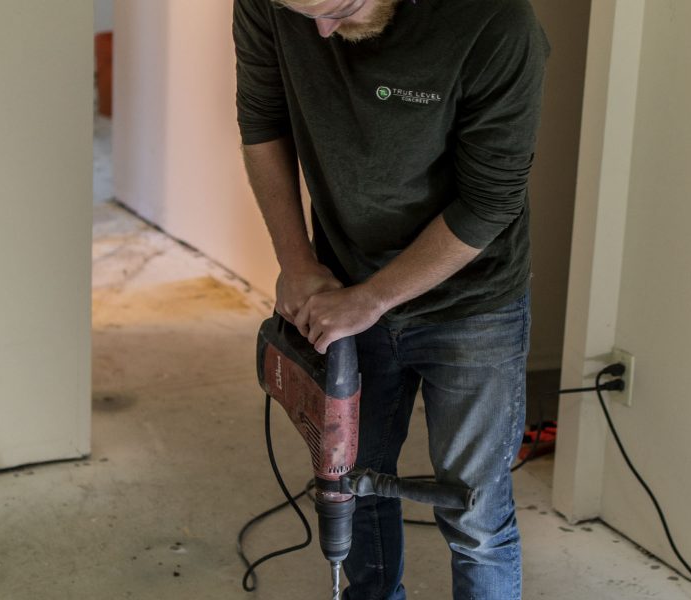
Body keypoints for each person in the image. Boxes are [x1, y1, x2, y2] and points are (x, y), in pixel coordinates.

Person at [233, 0, 549, 597]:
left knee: (475, 515)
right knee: (352, 485)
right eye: (305, 15)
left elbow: (491, 201)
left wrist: (373, 299)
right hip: (343, 282)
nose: (321, 31)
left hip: (472, 301)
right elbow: (262, 120)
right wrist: (298, 264)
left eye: (340, 8)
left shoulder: (495, 22)